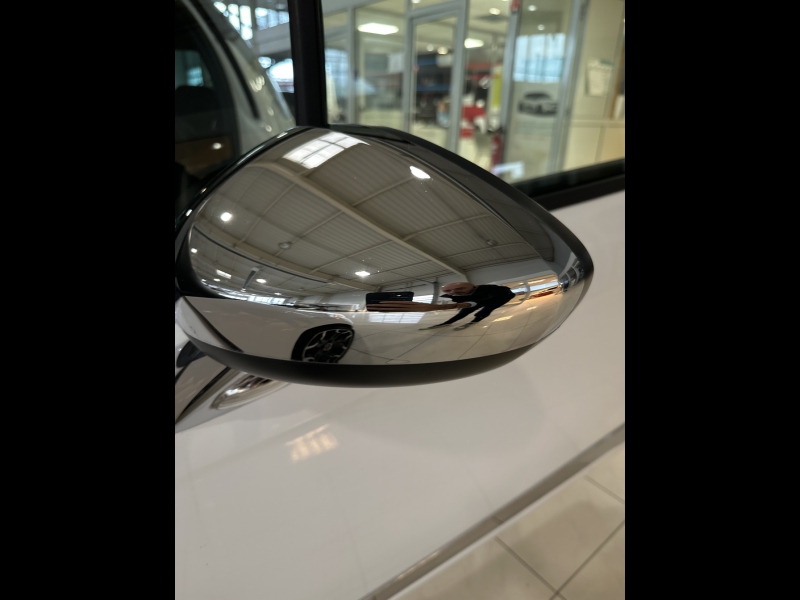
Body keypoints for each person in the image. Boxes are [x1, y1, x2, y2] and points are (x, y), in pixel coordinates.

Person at [366, 282, 516, 331]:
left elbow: (483, 300)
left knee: (487, 308)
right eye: (448, 291)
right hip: (474, 300)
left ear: (473, 286)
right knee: (463, 312)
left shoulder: (492, 289)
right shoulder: (452, 295)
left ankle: (475, 320)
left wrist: (454, 305)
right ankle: (447, 322)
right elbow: (466, 303)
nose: (454, 292)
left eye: (460, 289)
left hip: (500, 298)